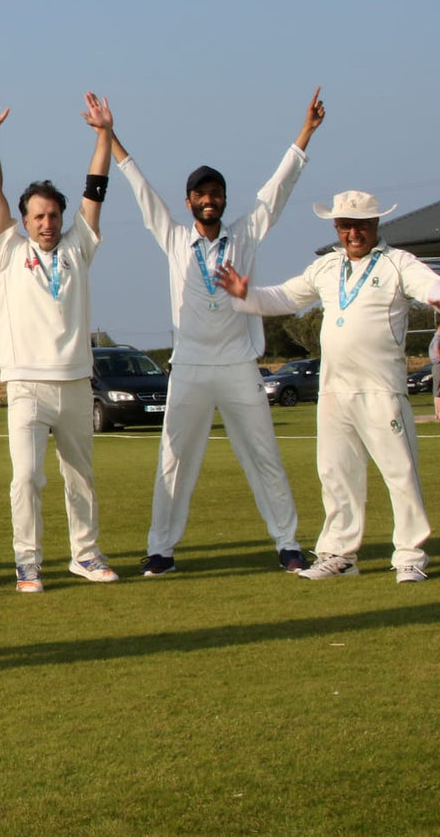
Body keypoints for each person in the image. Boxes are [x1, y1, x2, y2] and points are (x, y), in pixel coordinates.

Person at [110, 89, 323, 577]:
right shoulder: (173, 236)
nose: (209, 200)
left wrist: (305, 132)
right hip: (187, 366)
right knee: (173, 462)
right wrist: (110, 137)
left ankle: (288, 544)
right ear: (189, 201)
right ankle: (161, 551)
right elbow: (142, 190)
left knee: (264, 456)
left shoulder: (244, 234)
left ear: (223, 199)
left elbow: (277, 191)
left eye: (216, 193)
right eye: (201, 194)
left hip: (238, 365)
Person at [218, 190, 440, 582]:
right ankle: (340, 554)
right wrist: (247, 295)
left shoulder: (397, 263)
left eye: (361, 224)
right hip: (333, 390)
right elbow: (288, 296)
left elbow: (429, 284)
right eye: (346, 225)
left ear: (376, 224)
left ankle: (410, 555)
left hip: (381, 388)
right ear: (336, 227)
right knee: (335, 472)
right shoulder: (327, 267)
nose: (354, 232)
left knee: (400, 473)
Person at [0, 91, 116, 593]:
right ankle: (28, 564)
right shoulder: (7, 250)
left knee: (79, 477)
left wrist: (103, 135)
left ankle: (85, 554)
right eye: (37, 216)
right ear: (24, 219)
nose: (47, 223)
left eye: (53, 215)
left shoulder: (79, 245)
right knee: (26, 480)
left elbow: (96, 190)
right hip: (26, 385)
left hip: (76, 381)